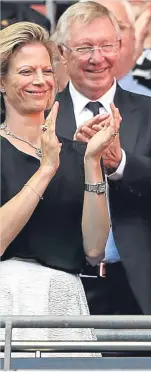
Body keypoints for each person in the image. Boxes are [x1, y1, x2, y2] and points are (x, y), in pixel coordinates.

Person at [52, 1, 151, 317]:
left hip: (135, 280)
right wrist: (75, 156)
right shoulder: (45, 117)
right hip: (62, 275)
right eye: (84, 48)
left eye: (106, 46)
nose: (97, 58)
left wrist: (120, 163)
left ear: (121, 46)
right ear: (62, 52)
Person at [0, 22, 115, 355]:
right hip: (5, 296)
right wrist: (47, 168)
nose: (40, 80)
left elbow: (94, 250)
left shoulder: (80, 153)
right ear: (2, 83)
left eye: (46, 70)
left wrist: (93, 163)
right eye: (26, 71)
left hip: (63, 302)